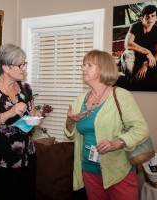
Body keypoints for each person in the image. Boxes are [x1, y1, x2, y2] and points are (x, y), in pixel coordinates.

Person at [64, 50, 149, 200]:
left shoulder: (121, 96)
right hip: (89, 171)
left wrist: (117, 143)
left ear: (103, 68)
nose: (83, 68)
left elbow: (141, 129)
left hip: (118, 172)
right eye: (83, 65)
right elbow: (70, 133)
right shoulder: (80, 100)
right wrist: (70, 122)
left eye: (89, 65)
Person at [0, 43, 42, 200]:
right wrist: (9, 113)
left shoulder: (26, 88)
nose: (24, 68)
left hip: (28, 157)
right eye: (20, 65)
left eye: (24, 64)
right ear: (6, 67)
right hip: (1, 160)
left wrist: (36, 118)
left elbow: (32, 114)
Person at [120, 4, 157, 82]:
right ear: (142, 17)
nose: (150, 19)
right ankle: (130, 80)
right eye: (147, 16)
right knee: (128, 53)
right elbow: (128, 44)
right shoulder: (135, 26)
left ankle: (146, 80)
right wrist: (147, 52)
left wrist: (146, 64)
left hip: (147, 62)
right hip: (133, 60)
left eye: (153, 16)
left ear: (156, 17)